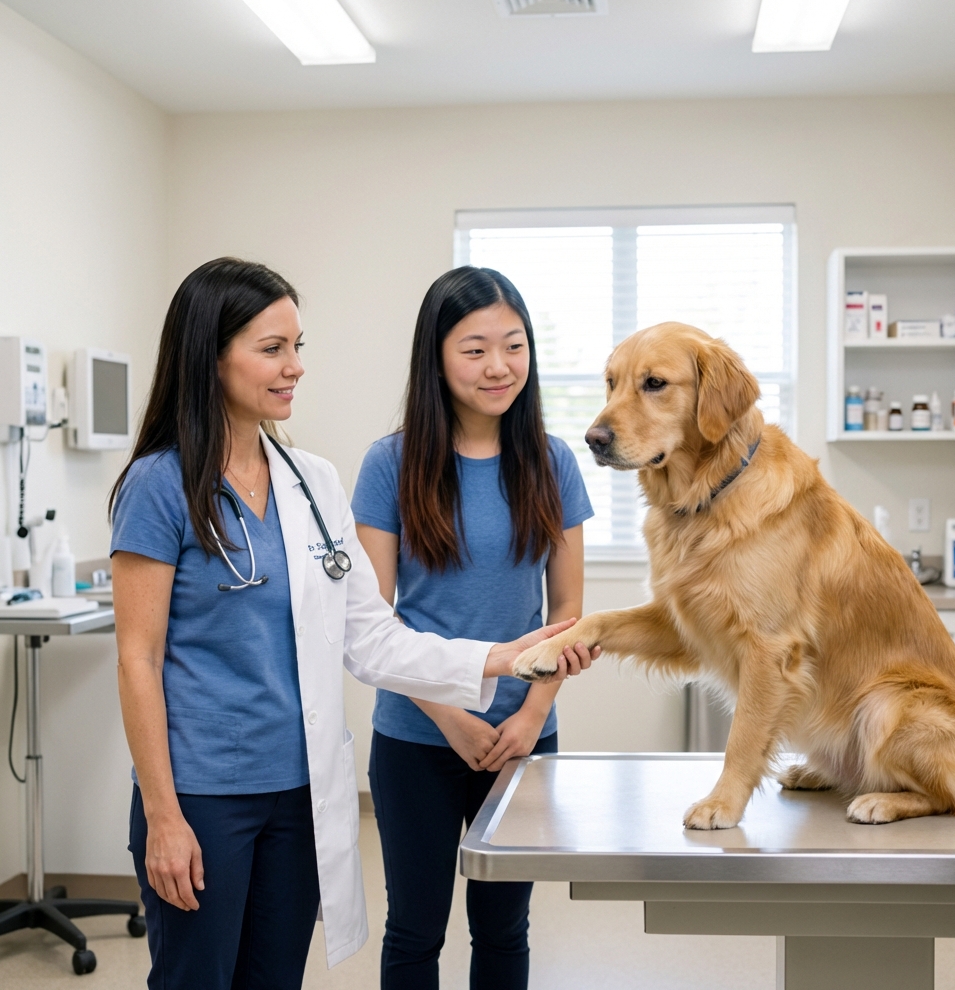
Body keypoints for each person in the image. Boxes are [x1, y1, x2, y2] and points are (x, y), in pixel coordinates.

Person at [110, 258, 598, 990]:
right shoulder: (158, 484)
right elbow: (137, 661)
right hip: (203, 789)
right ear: (209, 355)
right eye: (273, 349)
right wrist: (164, 815)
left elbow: (368, 633)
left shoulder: (311, 482)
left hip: (298, 784)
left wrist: (497, 660)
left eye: (297, 346)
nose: (295, 368)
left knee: (275, 978)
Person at [352, 265, 594, 990]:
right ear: (437, 356)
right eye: (475, 348)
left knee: (504, 931)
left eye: (514, 345)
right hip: (417, 736)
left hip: (525, 738)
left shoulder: (551, 462)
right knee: (415, 931)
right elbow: (374, 618)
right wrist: (451, 714)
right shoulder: (389, 464)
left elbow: (568, 618)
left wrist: (532, 716)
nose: (499, 366)